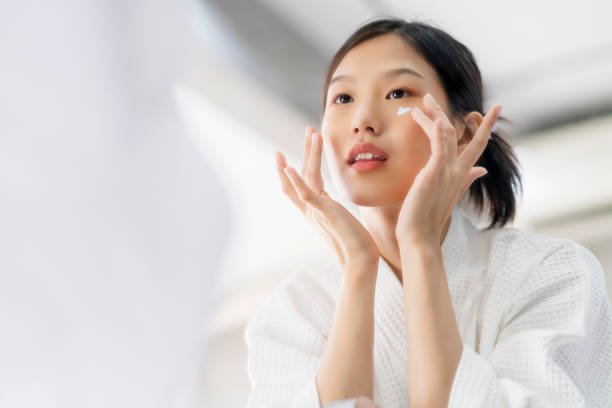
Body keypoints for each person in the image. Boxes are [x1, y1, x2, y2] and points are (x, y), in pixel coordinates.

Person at [244, 18, 612, 408]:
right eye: (343, 98)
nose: (363, 121)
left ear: (465, 134)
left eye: (398, 92)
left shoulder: (550, 272)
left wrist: (419, 245)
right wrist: (358, 267)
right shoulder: (296, 308)